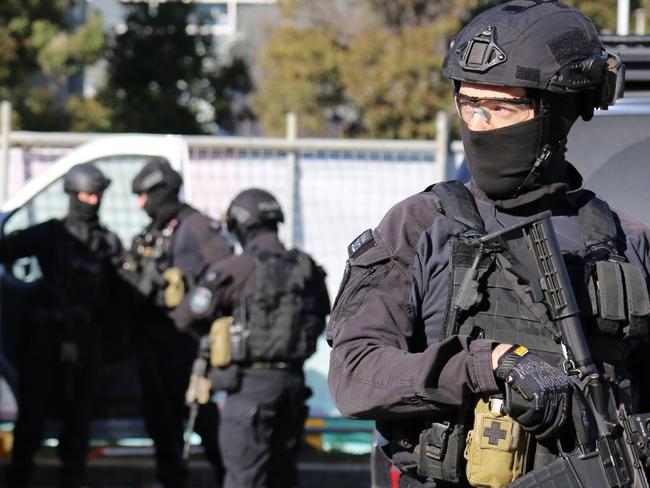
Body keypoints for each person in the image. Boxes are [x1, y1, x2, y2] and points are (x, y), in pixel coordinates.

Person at [327, 1, 650, 487]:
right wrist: (489, 363)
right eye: (469, 103)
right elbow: (355, 375)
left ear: (559, 112)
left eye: (501, 107)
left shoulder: (624, 241)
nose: (478, 124)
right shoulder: (420, 226)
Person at [172, 188, 331, 488]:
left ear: (242, 225)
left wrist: (215, 332)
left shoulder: (238, 267)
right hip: (294, 388)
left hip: (249, 389)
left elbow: (185, 315)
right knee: (283, 477)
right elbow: (324, 315)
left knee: (244, 479)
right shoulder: (307, 267)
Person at [2, 163, 123, 488]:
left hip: (87, 339)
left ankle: (72, 478)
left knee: (80, 415)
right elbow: (7, 249)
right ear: (72, 195)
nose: (92, 201)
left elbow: (118, 296)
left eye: (97, 195)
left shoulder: (108, 242)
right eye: (86, 195)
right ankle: (19, 476)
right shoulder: (49, 234)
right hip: (46, 337)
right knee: (33, 412)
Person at [122, 158, 232, 488]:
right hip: (153, 341)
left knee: (204, 418)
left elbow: (227, 274)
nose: (141, 204)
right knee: (160, 420)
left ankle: (231, 479)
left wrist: (190, 307)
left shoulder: (197, 226)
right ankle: (170, 479)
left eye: (145, 195)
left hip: (189, 344)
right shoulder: (152, 233)